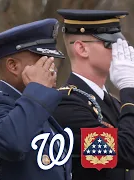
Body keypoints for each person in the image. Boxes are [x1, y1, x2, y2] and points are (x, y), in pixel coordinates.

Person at [0, 18, 73, 180]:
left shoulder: (36, 104)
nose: (52, 69)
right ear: (13, 66)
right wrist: (37, 91)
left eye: (52, 61)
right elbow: (11, 143)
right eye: (44, 61)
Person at [53, 9, 134, 180]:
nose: (121, 52)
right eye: (111, 44)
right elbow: (126, 151)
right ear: (82, 48)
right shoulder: (66, 105)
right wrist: (129, 88)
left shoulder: (114, 102)